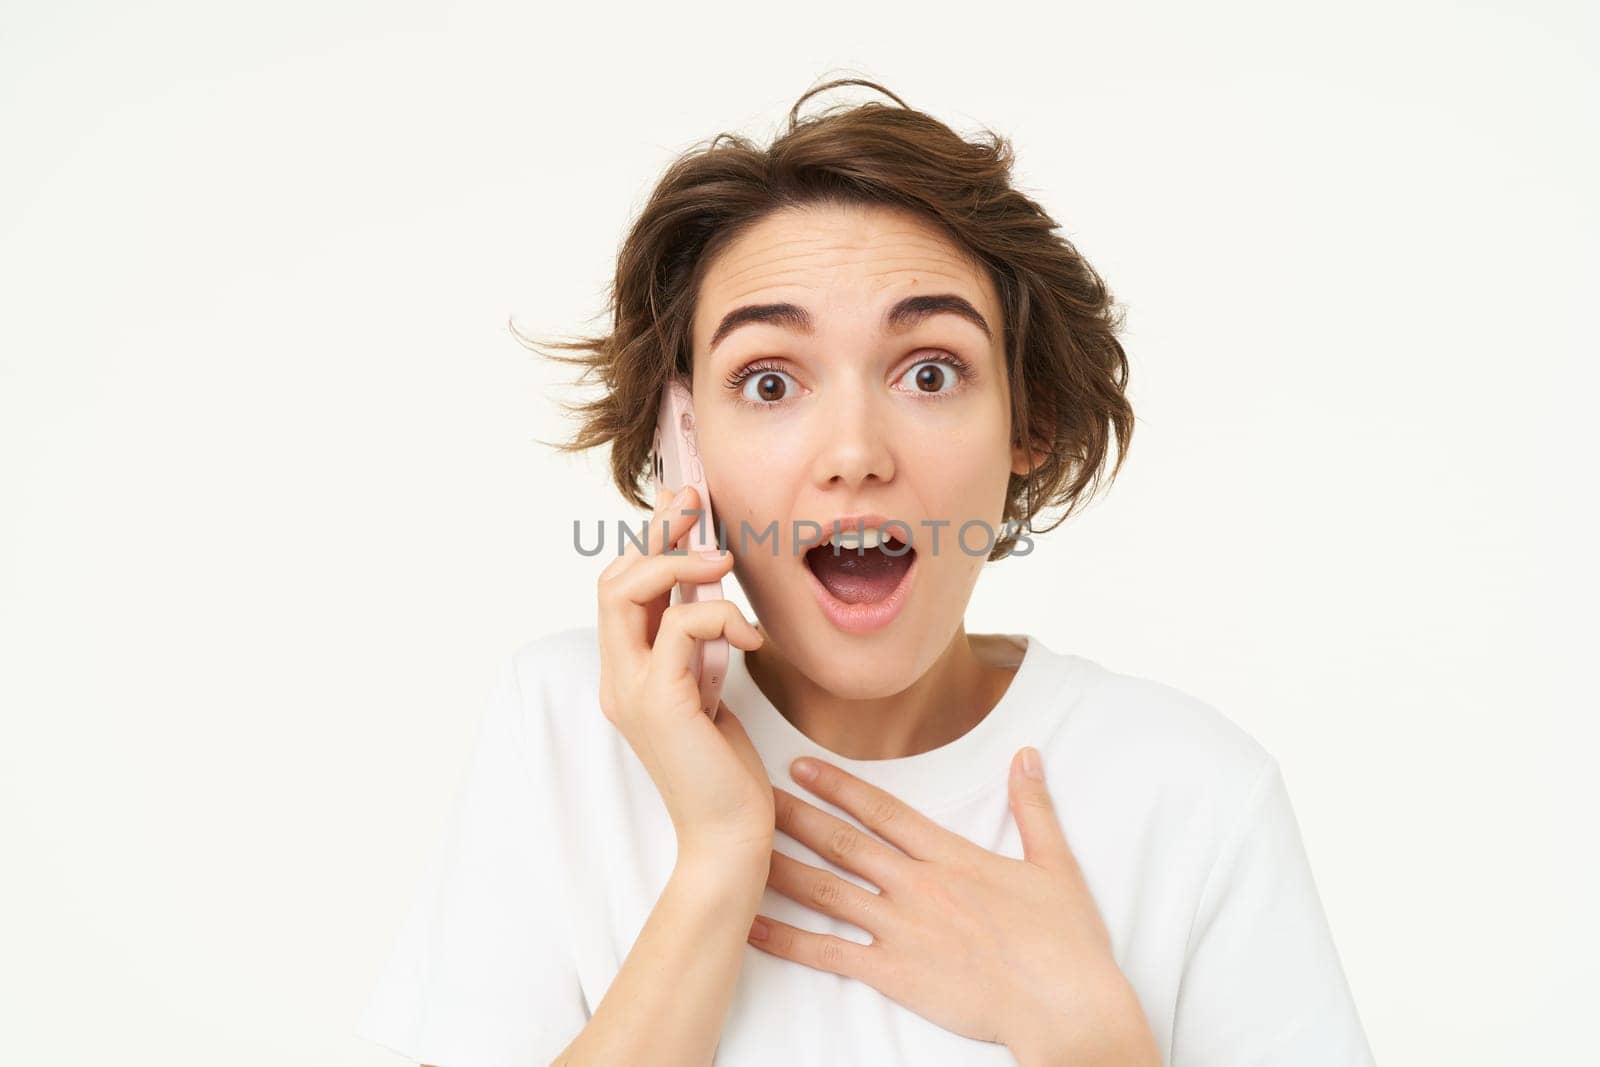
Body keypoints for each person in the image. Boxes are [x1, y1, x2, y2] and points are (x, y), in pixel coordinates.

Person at [357, 78, 1376, 1066]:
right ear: (686, 439)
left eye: (929, 371)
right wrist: (716, 860)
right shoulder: (569, 732)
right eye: (767, 381)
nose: (853, 450)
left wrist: (1087, 1039)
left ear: (1028, 421)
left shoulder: (1194, 791)